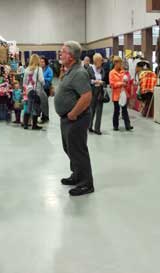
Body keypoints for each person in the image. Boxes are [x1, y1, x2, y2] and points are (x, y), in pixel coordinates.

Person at [55, 41, 95, 196]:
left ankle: (86, 183)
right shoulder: (69, 70)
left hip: (76, 119)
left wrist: (73, 113)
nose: (60, 54)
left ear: (71, 56)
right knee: (70, 148)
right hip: (67, 119)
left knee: (78, 150)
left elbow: (87, 96)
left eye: (63, 51)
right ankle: (77, 174)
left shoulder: (79, 72)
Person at [109, 56, 134, 131]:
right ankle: (115, 125)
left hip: (123, 94)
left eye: (121, 63)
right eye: (119, 63)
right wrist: (121, 83)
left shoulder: (123, 72)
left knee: (125, 110)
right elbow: (112, 84)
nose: (121, 65)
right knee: (116, 111)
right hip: (116, 95)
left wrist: (126, 83)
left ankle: (128, 125)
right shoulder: (111, 73)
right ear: (115, 63)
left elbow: (127, 83)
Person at [88, 53, 109, 135]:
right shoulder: (90, 69)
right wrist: (95, 81)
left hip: (100, 92)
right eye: (100, 60)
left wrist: (102, 82)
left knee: (99, 111)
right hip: (92, 91)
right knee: (91, 110)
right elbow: (87, 80)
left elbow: (105, 80)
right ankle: (89, 126)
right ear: (95, 60)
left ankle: (97, 129)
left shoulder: (102, 69)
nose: (101, 61)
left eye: (101, 60)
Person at [22, 54, 45, 129]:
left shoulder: (26, 69)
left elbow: (24, 82)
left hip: (28, 91)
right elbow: (41, 80)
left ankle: (25, 124)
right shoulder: (39, 69)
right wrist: (44, 84)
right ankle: (34, 125)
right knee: (35, 107)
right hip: (36, 90)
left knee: (28, 107)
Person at [40, 57, 53, 123]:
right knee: (41, 103)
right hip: (40, 88)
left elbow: (50, 78)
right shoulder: (39, 69)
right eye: (41, 62)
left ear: (45, 62)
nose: (41, 63)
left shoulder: (49, 69)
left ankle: (45, 116)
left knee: (44, 103)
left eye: (43, 62)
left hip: (46, 88)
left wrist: (43, 78)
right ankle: (43, 116)